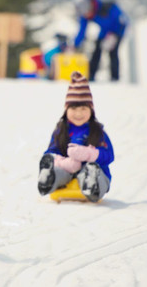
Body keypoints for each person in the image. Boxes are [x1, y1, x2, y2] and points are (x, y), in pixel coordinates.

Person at [37, 72, 114, 202]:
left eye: (84, 108)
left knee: (90, 171)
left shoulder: (97, 131)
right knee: (59, 171)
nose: (78, 113)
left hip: (93, 170)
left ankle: (92, 184)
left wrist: (89, 154)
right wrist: (63, 162)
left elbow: (109, 155)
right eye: (73, 108)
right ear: (66, 110)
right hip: (67, 173)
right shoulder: (61, 130)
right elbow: (50, 153)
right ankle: (48, 179)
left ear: (91, 110)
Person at [73, 0, 128, 82]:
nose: (87, 15)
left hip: (117, 31)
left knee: (113, 52)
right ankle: (91, 76)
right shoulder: (85, 14)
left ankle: (115, 77)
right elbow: (82, 30)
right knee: (96, 50)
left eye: (87, 13)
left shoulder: (108, 7)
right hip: (103, 33)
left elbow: (122, 22)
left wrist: (114, 36)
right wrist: (75, 44)